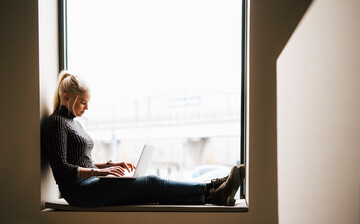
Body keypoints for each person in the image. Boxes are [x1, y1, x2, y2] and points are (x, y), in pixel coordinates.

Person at [42, 71, 245, 207]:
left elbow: (80, 161)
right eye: (83, 102)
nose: (86, 108)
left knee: (148, 188)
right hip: (78, 192)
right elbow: (62, 169)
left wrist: (110, 165)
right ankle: (212, 188)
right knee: (151, 182)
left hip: (90, 183)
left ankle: (212, 196)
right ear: (67, 97)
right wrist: (99, 171)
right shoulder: (56, 123)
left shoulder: (75, 123)